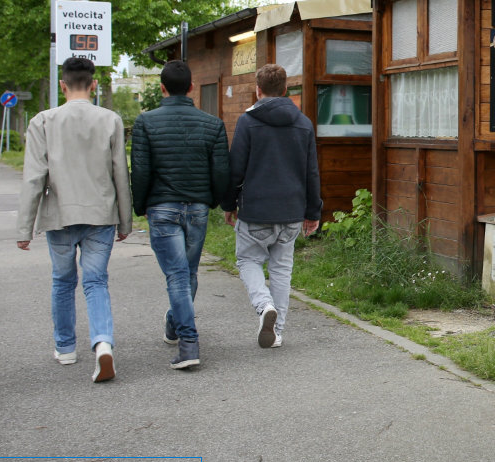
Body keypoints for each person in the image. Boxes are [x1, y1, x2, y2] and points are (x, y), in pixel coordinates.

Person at [16, 57, 131, 383]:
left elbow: (34, 178)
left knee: (63, 281)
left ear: (63, 85)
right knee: (96, 282)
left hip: (61, 215)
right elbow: (119, 173)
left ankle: (65, 348)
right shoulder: (110, 119)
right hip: (100, 214)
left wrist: (25, 228)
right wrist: (125, 221)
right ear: (93, 85)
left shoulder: (43, 121)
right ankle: (103, 344)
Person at [130, 60, 229, 370]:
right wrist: (216, 201)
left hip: (162, 208)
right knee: (188, 273)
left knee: (177, 276)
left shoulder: (145, 122)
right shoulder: (213, 124)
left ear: (161, 88)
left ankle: (188, 343)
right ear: (191, 88)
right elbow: (221, 170)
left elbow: (141, 170)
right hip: (197, 208)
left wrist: (139, 204)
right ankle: (175, 325)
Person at [222, 64, 321, 348]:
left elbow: (236, 169)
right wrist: (313, 212)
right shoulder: (303, 123)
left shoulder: (247, 122)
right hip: (291, 211)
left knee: (248, 260)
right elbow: (311, 171)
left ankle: (264, 305)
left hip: (256, 211)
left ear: (258, 90)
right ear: (285, 90)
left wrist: (229, 204)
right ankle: (276, 332)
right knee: (281, 270)